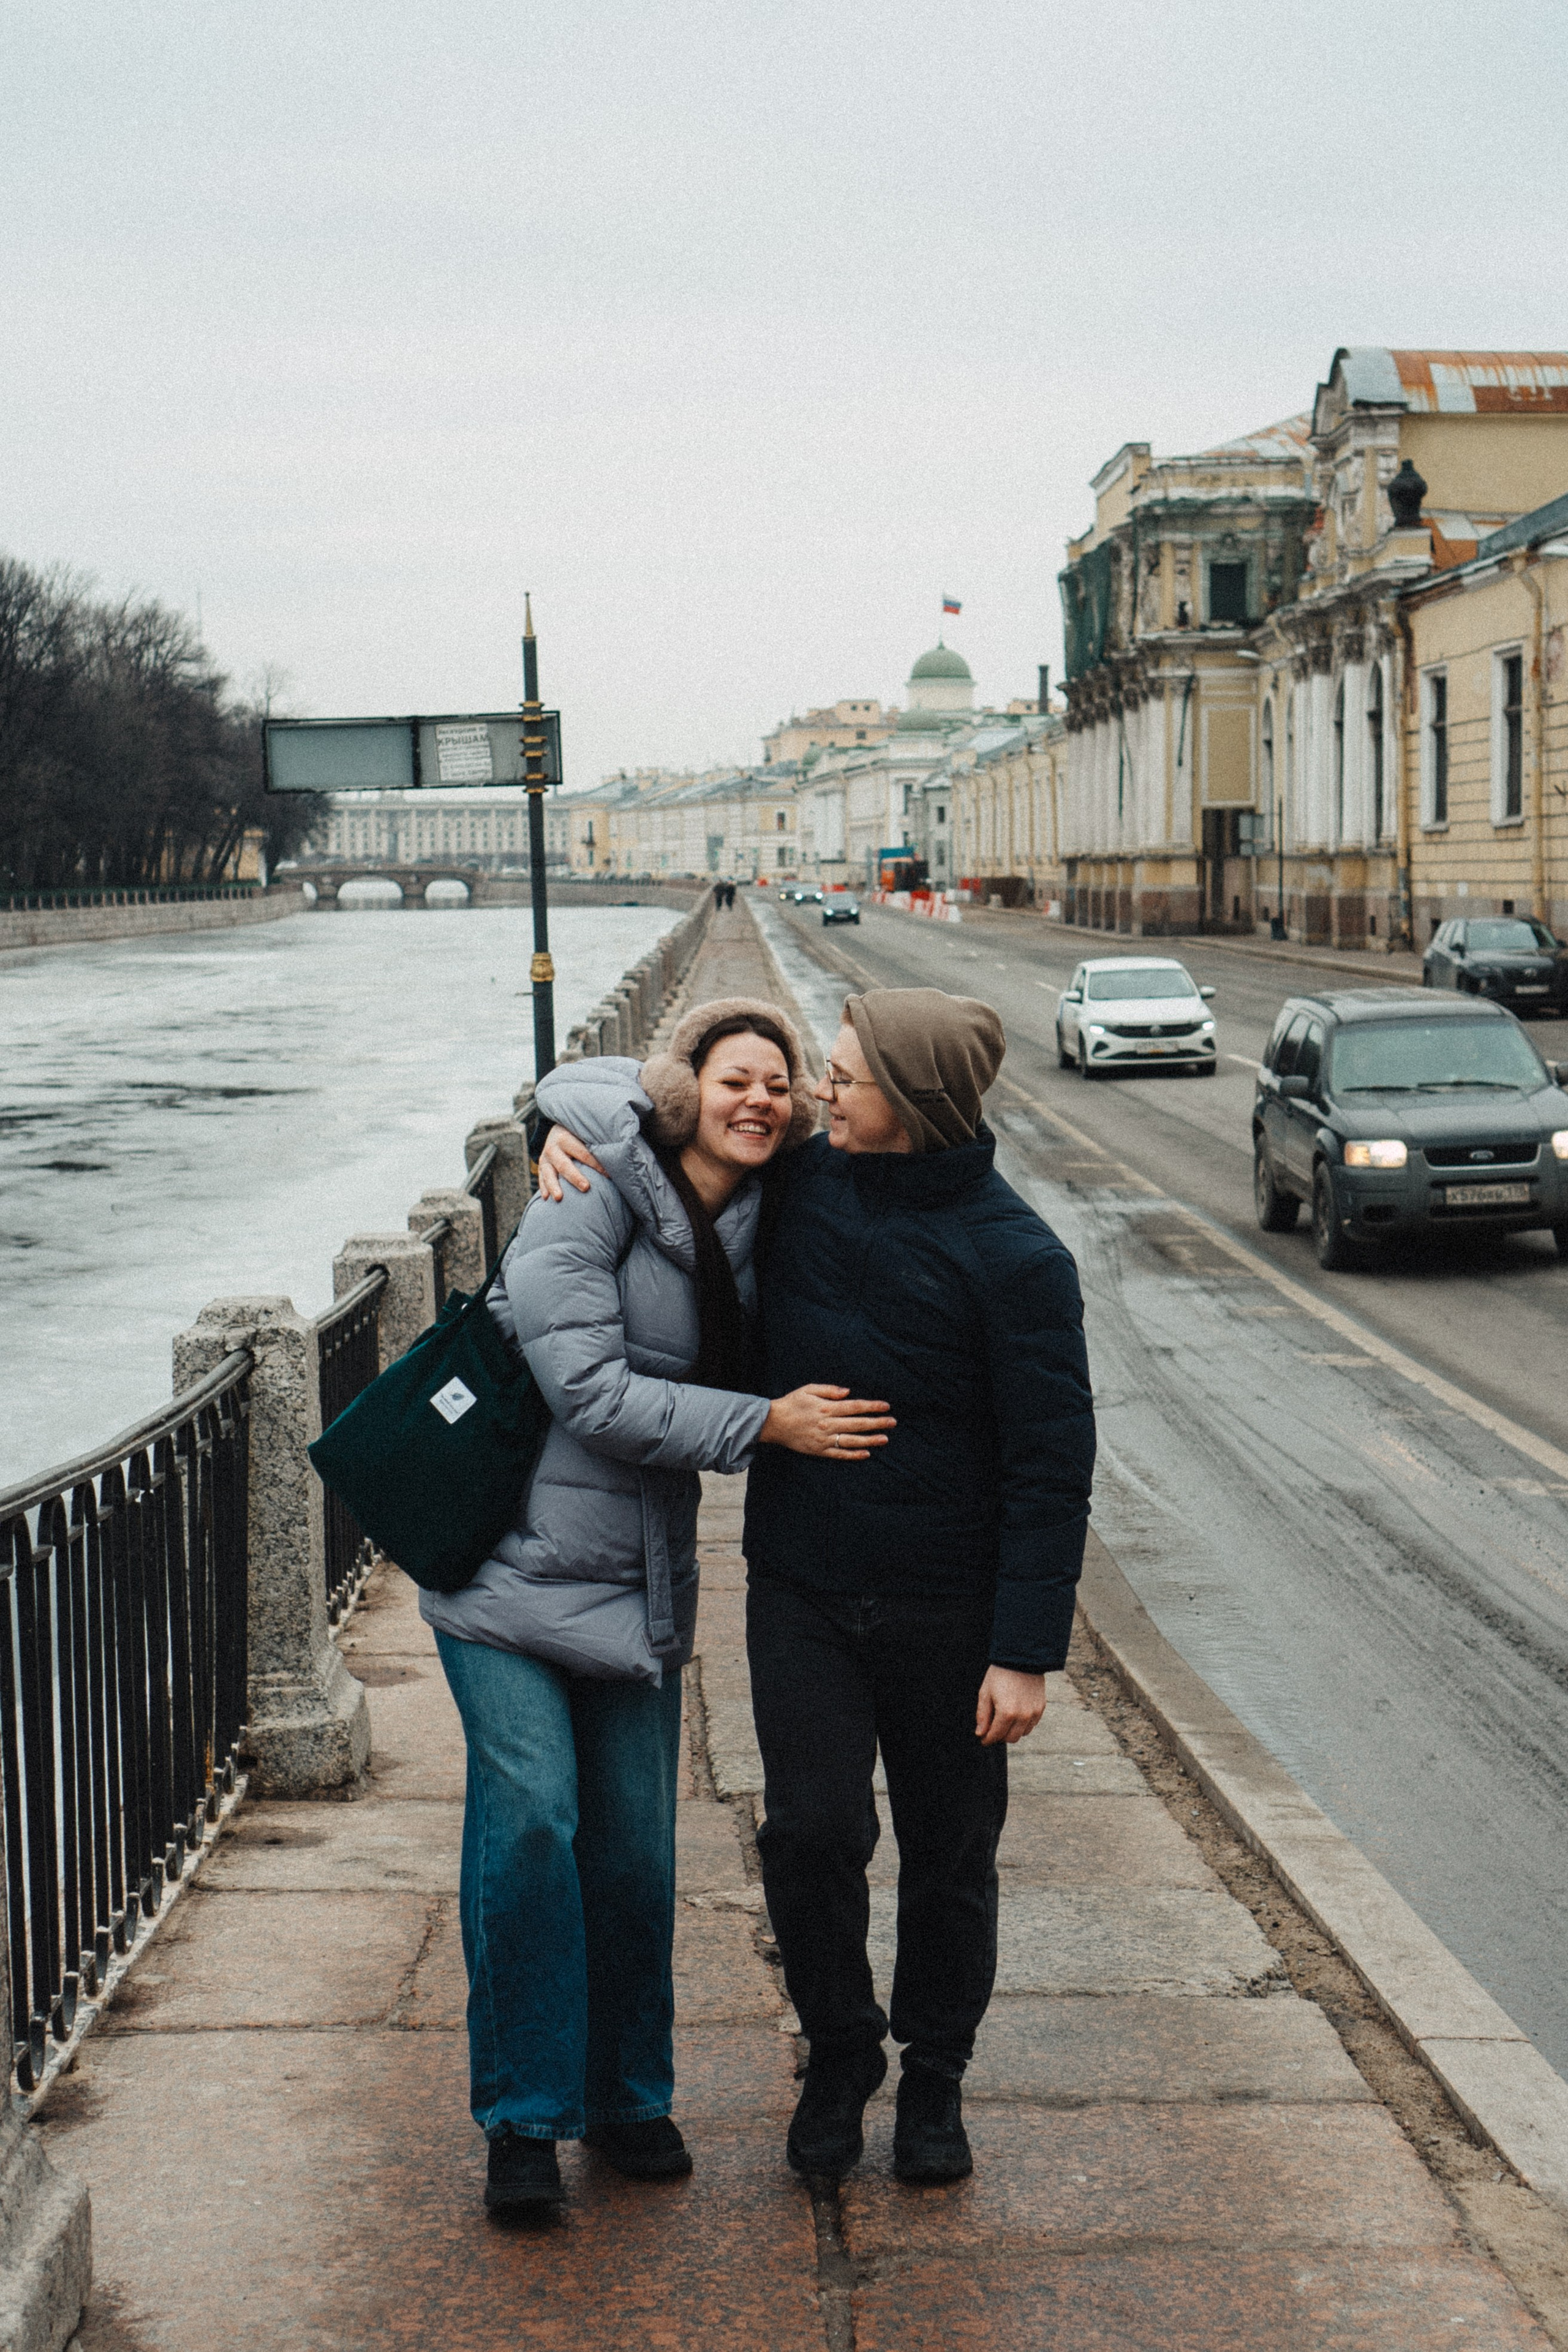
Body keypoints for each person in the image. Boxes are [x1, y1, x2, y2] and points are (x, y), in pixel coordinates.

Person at [538, 987, 1095, 2188]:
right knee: (810, 1836)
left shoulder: (1019, 1261)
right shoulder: (797, 1180)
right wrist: (560, 1132)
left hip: (952, 1615)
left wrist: (1023, 1648)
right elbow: (642, 1103)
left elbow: (1051, 1467)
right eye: (822, 1074)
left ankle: (934, 2075)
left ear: (917, 1100)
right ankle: (842, 2055)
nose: (816, 1092)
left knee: (950, 1855)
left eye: (841, 1077)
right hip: (802, 1592)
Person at [426, 998, 895, 2214]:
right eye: (734, 1078)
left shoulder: (773, 1213)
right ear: (685, 1088)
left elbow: (906, 1158)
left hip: (633, 1578)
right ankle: (523, 2120)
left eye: (778, 1085)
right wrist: (762, 1424)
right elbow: (586, 1391)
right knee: (532, 1823)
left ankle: (629, 2095)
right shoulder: (582, 1190)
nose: (758, 1100)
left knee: (633, 1857)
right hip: (503, 1561)